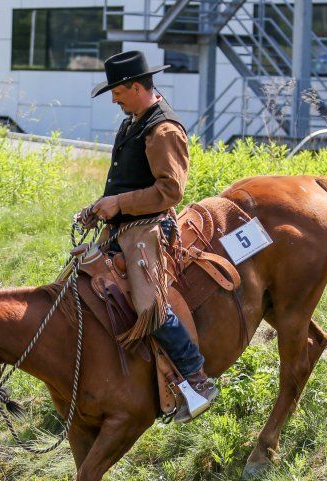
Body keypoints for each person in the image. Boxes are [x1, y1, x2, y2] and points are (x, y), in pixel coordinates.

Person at [81, 50, 218, 422]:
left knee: (148, 307)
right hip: (121, 225)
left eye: (118, 91)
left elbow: (171, 192)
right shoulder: (133, 120)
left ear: (136, 87)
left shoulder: (163, 130)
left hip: (147, 229)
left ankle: (197, 377)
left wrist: (118, 203)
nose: (113, 98)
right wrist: (100, 207)